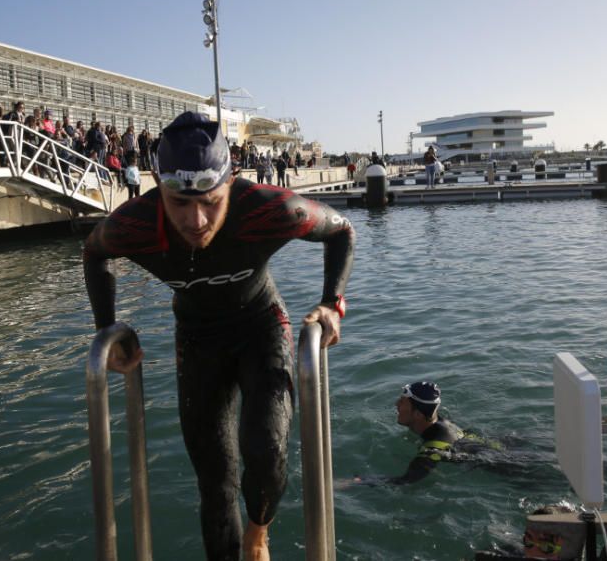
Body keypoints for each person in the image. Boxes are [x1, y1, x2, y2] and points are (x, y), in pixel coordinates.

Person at [83, 111, 355, 561]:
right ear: (158, 186)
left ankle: (258, 534)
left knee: (266, 451)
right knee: (215, 481)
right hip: (198, 338)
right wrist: (107, 327)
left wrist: (332, 302)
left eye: (210, 201)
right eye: (180, 203)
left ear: (230, 181)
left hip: (261, 325)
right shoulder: (136, 222)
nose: (195, 220)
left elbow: (342, 231)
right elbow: (94, 253)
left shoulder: (268, 209)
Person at [349, 381, 505, 486]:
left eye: (402, 402)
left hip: (509, 469)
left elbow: (407, 481)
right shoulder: (441, 422)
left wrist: (357, 481)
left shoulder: (433, 448)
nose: (396, 404)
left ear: (417, 414)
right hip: (498, 448)